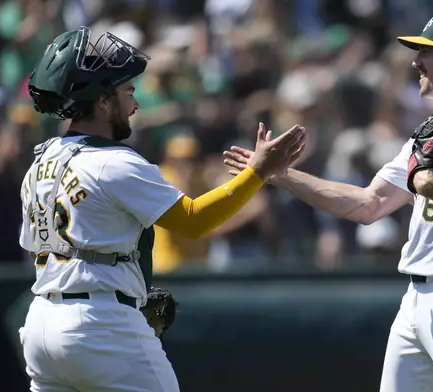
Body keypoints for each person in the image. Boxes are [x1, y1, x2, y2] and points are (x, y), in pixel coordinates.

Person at [224, 13, 433, 392]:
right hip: (417, 297)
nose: (415, 61)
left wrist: (431, 188)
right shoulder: (432, 129)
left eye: (427, 52)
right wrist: (278, 175)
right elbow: (367, 204)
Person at [18, 27, 305, 392]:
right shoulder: (114, 161)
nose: (135, 104)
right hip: (99, 325)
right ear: (103, 101)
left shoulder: (41, 162)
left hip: (42, 324)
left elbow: (36, 247)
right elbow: (193, 219)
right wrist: (258, 172)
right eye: (128, 91)